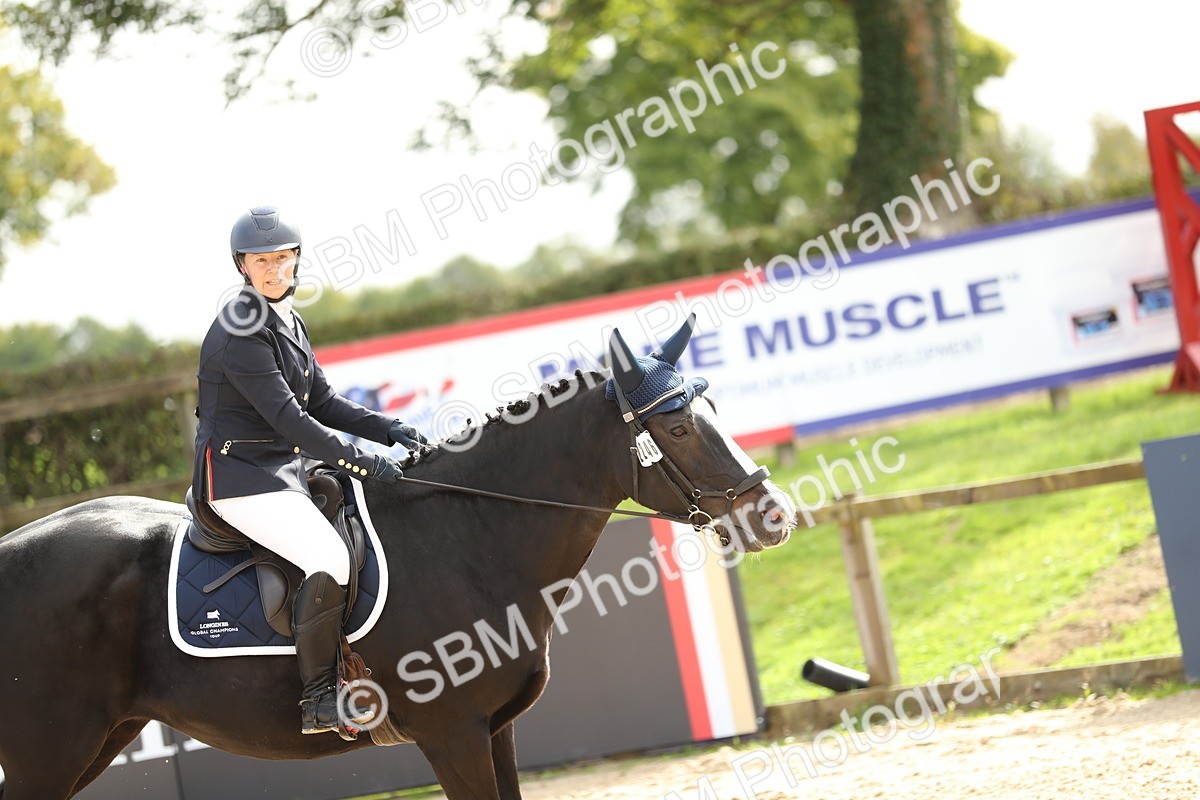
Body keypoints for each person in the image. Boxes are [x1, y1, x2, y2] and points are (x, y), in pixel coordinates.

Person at [192, 205, 427, 735]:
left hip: (280, 471)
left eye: (283, 258)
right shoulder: (239, 330)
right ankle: (319, 697)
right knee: (328, 554)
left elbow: (321, 399)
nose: (274, 270)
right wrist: (360, 462)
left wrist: (386, 428)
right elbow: (288, 418)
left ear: (297, 259)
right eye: (262, 261)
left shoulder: (287, 319)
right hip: (240, 480)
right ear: (242, 266)